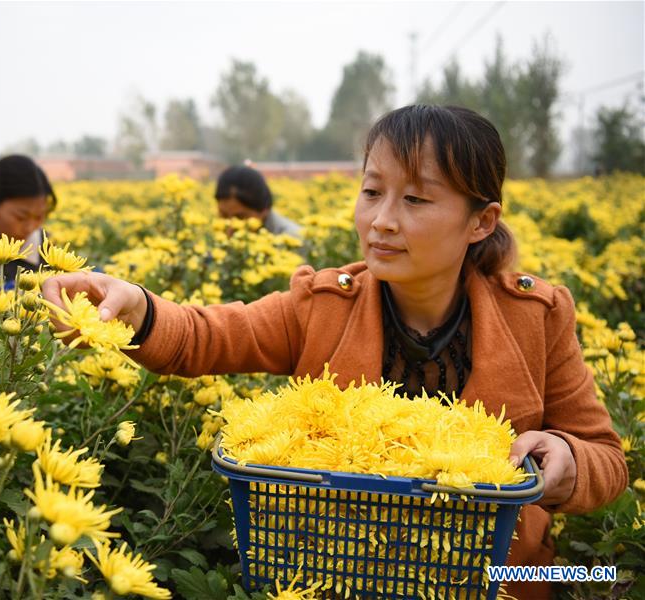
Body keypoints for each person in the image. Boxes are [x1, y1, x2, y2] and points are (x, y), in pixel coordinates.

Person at [42, 105, 627, 599]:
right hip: (339, 577)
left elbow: (608, 458)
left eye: (416, 200)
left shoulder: (538, 318)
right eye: (372, 191)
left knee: (600, 576)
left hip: (498, 579)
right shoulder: (323, 305)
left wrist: (568, 460)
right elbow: (206, 335)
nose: (381, 221)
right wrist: (137, 306)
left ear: (481, 221)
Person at [215, 165, 303, 238]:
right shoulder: (221, 236)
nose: (230, 226)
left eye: (240, 217)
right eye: (224, 215)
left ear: (264, 209)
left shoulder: (292, 238)